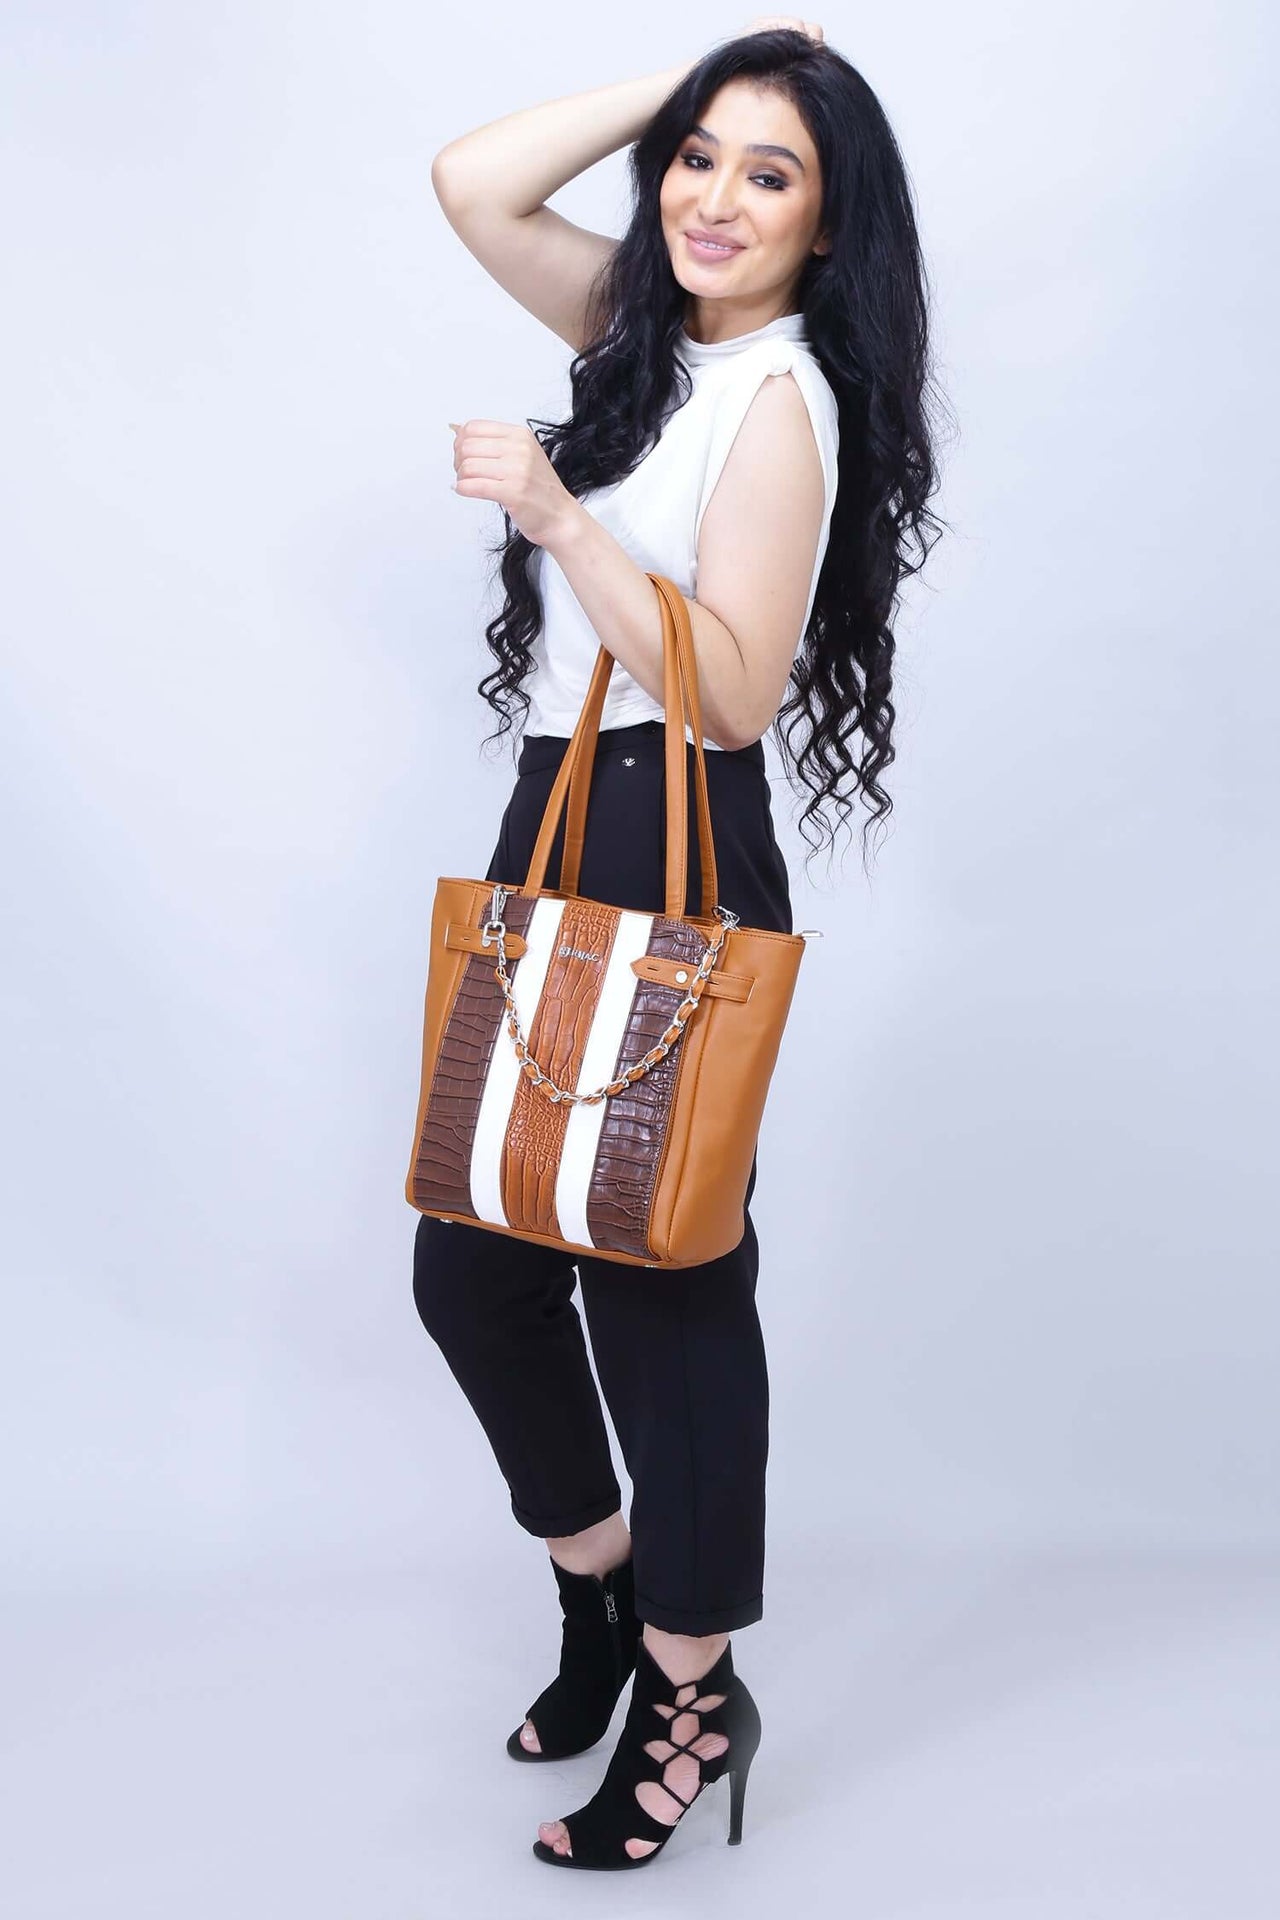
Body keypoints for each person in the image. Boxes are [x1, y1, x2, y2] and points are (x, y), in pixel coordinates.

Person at [411, 17, 945, 1872]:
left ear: (830, 221)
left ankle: (694, 1684)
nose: (715, 199)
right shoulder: (647, 341)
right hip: (558, 815)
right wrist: (713, 70)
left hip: (672, 829)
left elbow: (726, 697)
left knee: (659, 1273)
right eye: (699, 160)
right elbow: (474, 183)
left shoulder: (778, 400)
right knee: (475, 1266)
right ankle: (608, 1591)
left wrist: (561, 520)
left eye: (769, 173)